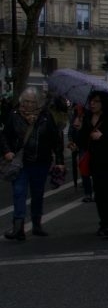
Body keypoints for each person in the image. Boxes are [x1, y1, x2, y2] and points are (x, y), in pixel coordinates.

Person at [1, 88, 65, 240]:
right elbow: (4, 136)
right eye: (25, 102)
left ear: (37, 103)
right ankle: (18, 227)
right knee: (19, 192)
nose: (28, 105)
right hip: (20, 162)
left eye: (31, 102)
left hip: (40, 162)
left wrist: (60, 161)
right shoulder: (14, 116)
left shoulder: (45, 117)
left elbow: (56, 140)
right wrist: (7, 151)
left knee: (37, 194)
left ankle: (37, 224)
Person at [81, 90, 108, 238]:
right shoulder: (87, 117)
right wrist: (78, 129)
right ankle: (103, 222)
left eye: (96, 101)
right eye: (91, 101)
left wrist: (103, 136)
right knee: (99, 194)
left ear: (103, 103)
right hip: (95, 161)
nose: (92, 104)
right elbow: (82, 139)